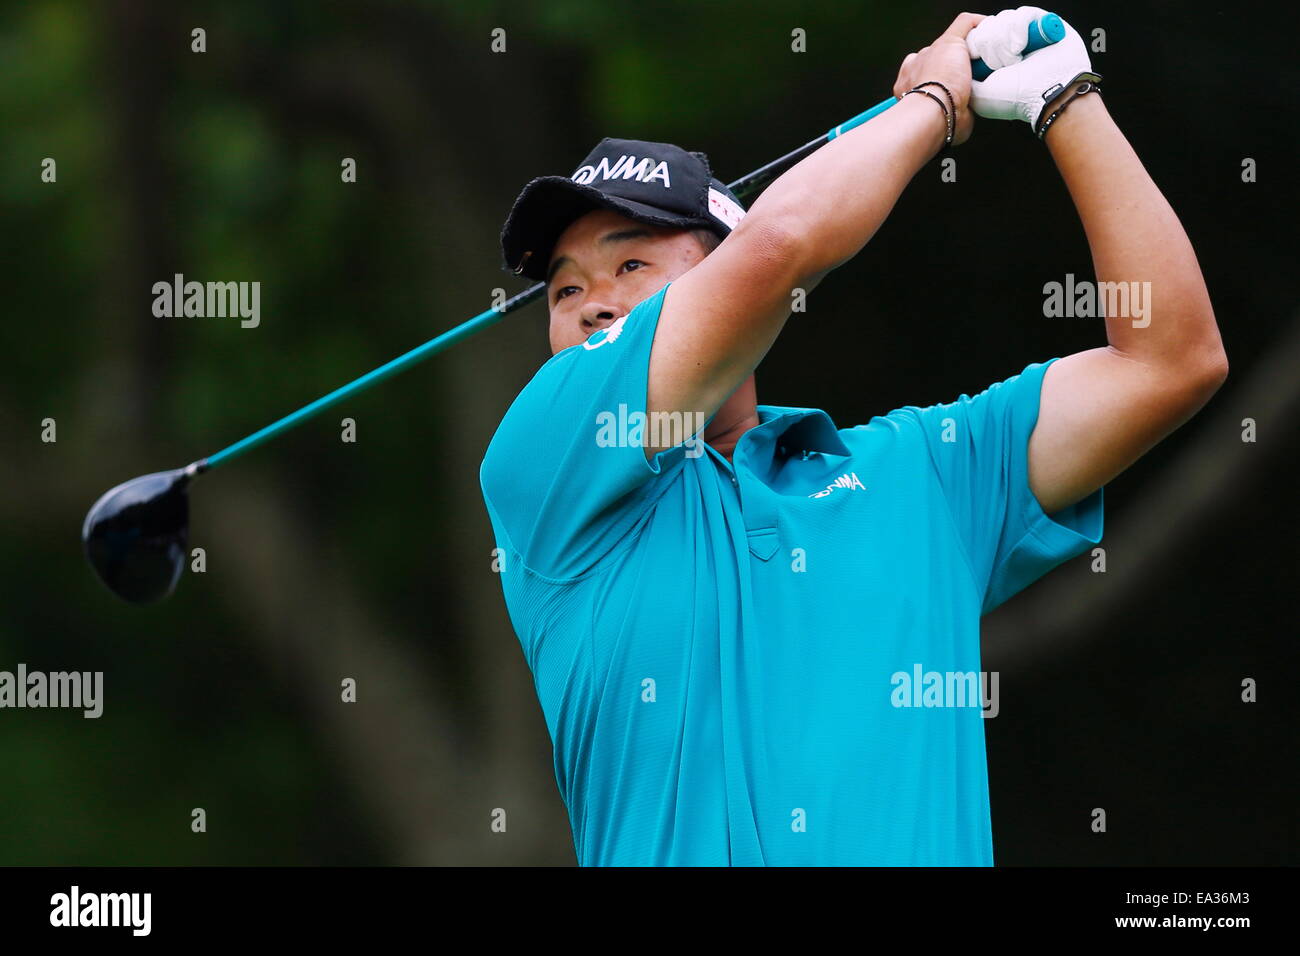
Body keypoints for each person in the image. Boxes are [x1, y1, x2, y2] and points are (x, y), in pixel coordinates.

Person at [479, 7, 1227, 865]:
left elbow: (1171, 361)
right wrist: (936, 105)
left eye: (632, 264)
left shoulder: (923, 477)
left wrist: (1067, 99)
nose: (593, 303)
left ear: (727, 286)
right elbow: (782, 244)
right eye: (564, 290)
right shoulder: (543, 470)